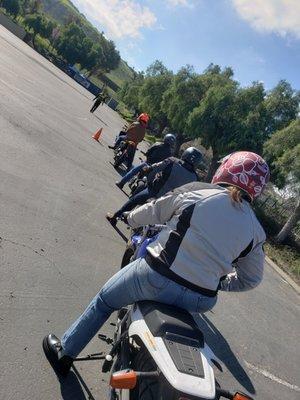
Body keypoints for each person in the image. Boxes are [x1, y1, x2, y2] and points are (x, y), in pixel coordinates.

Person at [43, 151, 270, 377]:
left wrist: (130, 217)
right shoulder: (256, 231)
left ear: (226, 169)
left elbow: (154, 210)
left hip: (156, 276)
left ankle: (66, 351)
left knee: (104, 301)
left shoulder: (199, 191)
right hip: (200, 300)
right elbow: (250, 278)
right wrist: (220, 284)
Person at [106, 147, 202, 226]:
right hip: (170, 203)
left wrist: (149, 179)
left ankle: (114, 217)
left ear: (185, 154)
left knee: (133, 200)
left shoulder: (172, 161)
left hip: (154, 192)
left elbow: (154, 168)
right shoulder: (195, 178)